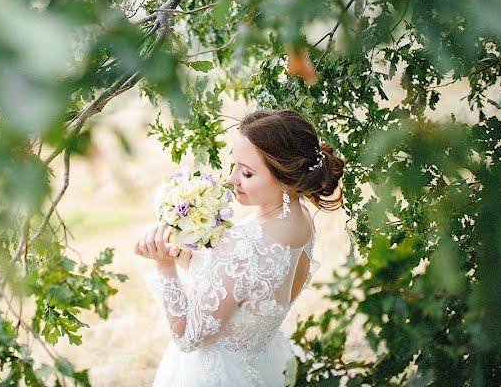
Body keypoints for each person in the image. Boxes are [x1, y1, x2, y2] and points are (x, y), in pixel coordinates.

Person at [134, 109, 345, 386]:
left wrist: (165, 267)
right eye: (234, 165)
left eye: (246, 172)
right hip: (263, 360)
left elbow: (188, 337)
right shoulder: (300, 218)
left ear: (285, 179)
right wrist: (189, 259)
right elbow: (249, 291)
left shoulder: (246, 243)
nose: (232, 179)